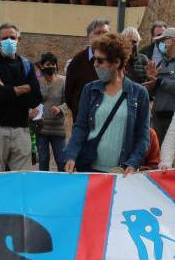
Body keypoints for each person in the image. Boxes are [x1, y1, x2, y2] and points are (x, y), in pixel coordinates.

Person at [63, 33, 150, 174]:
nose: (95, 64)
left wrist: (133, 163)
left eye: (100, 60)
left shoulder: (139, 93)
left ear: (116, 62)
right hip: (90, 169)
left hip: (122, 173)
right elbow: (80, 127)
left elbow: (143, 136)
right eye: (94, 59)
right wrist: (71, 155)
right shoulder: (90, 90)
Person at [0, 23, 42, 172]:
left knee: (25, 177)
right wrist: (20, 88)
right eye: (5, 38)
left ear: (19, 40)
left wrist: (5, 89)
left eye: (12, 38)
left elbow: (36, 98)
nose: (9, 41)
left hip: (22, 130)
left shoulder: (27, 65)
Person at [65, 18, 110, 122]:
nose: (102, 36)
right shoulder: (77, 61)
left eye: (105, 32)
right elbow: (68, 94)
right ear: (89, 37)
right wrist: (80, 112)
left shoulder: (114, 60)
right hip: (84, 121)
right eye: (98, 32)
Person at [36, 52, 68, 172]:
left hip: (58, 128)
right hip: (41, 128)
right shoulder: (37, 81)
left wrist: (60, 109)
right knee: (43, 160)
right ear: (43, 66)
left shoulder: (63, 81)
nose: (52, 66)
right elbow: (33, 102)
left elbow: (68, 102)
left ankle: (62, 186)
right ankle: (43, 186)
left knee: (61, 160)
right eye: (48, 64)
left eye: (53, 64)